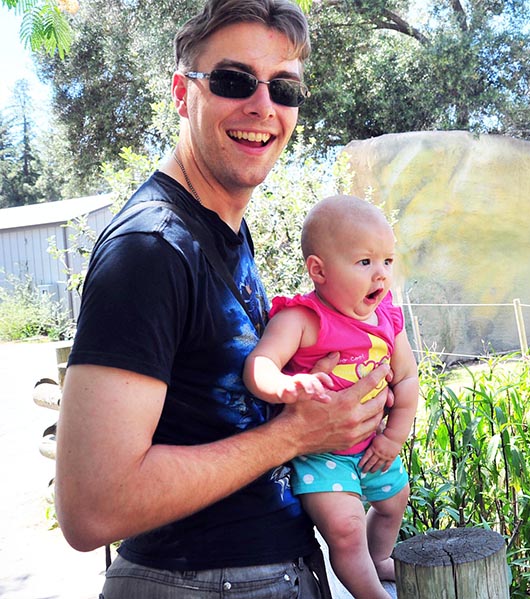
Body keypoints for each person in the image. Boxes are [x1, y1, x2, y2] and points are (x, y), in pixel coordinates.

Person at [54, 1, 390, 597]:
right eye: (234, 80)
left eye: (284, 88)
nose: (263, 106)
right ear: (183, 94)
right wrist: (296, 435)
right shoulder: (151, 249)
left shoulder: (224, 230)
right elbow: (92, 507)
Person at [244, 194, 418, 598]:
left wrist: (394, 437)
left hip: (373, 445)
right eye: (365, 262)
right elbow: (260, 364)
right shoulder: (302, 318)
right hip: (320, 455)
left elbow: (408, 378)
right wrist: (283, 386)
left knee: (395, 502)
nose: (381, 274)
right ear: (318, 270)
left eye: (387, 261)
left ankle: (379, 557)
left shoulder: (387, 319)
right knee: (345, 528)